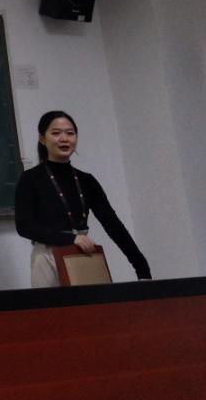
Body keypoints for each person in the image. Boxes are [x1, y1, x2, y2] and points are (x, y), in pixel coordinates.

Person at [15, 110, 151, 287]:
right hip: (47, 257)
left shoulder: (87, 180)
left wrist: (141, 267)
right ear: (42, 139)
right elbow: (24, 227)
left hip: (82, 254)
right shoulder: (30, 178)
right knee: (52, 306)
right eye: (56, 133)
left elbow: (113, 225)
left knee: (95, 305)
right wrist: (71, 239)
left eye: (70, 133)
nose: (64, 138)